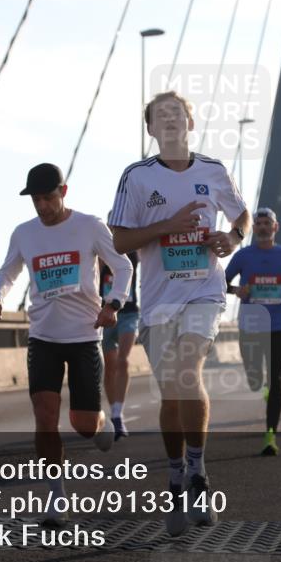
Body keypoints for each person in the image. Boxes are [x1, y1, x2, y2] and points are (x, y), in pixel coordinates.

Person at [109, 91, 249, 536]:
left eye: (177, 114)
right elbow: (119, 242)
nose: (169, 121)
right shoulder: (136, 177)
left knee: (190, 371)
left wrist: (233, 239)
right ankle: (175, 475)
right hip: (156, 301)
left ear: (190, 123)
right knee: (171, 394)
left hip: (203, 292)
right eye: (159, 116)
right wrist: (167, 227)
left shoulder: (214, 170)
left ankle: (198, 471)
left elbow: (241, 216)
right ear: (150, 129)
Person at [0, 162, 132, 527]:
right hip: (43, 336)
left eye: (48, 198)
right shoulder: (24, 233)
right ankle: (55, 497)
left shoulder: (89, 226)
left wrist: (113, 304)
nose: (42, 206)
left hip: (83, 336)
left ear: (63, 193)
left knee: (82, 424)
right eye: (36, 200)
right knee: (45, 417)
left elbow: (124, 265)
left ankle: (97, 426)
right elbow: (9, 271)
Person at [225, 207, 281, 456]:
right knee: (254, 379)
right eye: (258, 223)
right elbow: (221, 283)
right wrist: (235, 291)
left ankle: (270, 435)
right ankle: (258, 383)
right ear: (254, 228)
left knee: (276, 380)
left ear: (275, 227)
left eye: (267, 223)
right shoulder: (243, 257)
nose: (262, 227)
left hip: (277, 326)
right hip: (250, 326)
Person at [99, 246, 139, 439]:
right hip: (105, 315)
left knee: (123, 360)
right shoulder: (98, 252)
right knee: (110, 366)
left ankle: (117, 414)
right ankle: (113, 410)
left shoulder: (131, 253)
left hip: (129, 314)